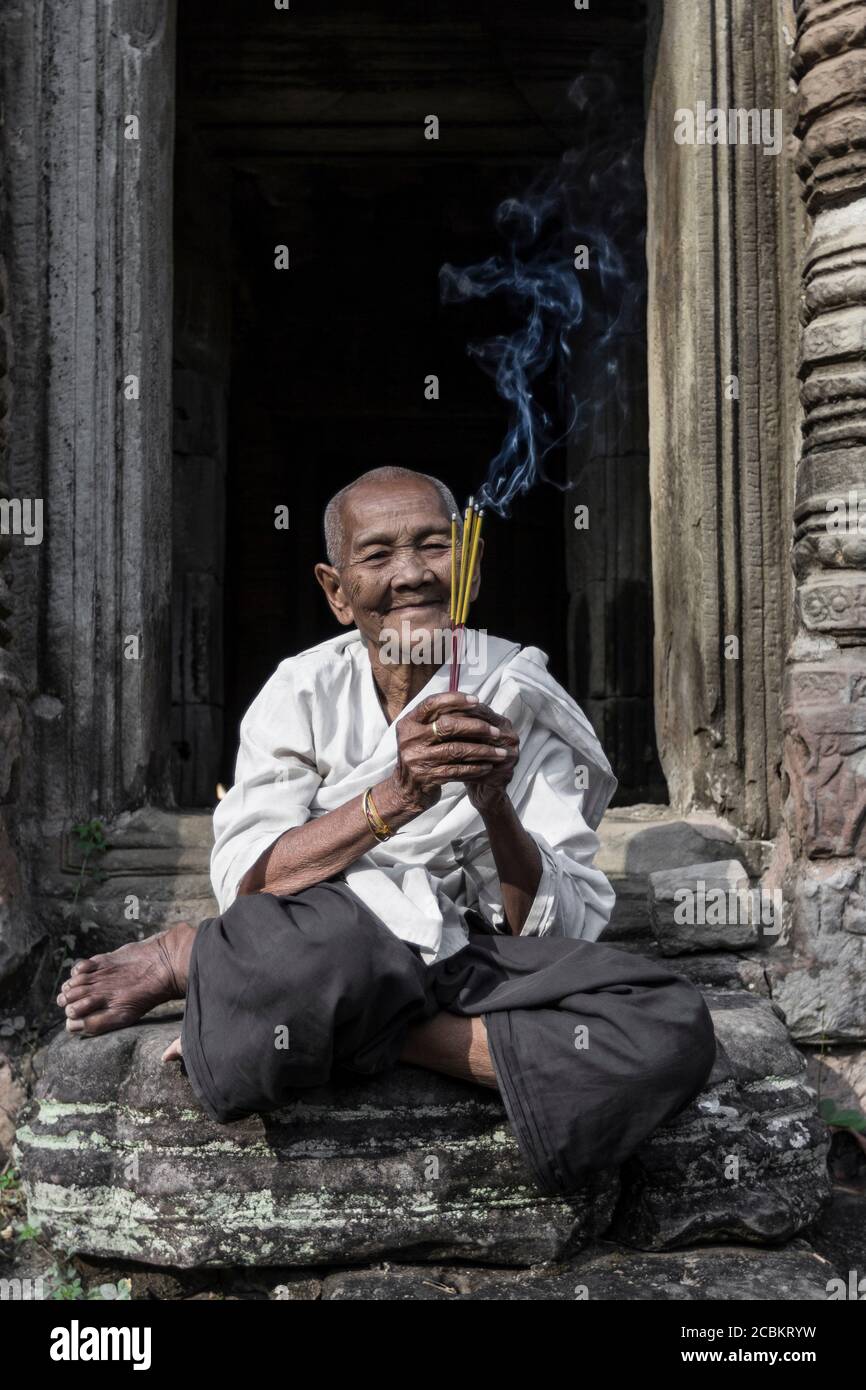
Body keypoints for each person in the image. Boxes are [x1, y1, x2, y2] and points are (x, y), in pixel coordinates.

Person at [56, 466, 717, 1195]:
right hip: (343, 945)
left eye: (434, 546)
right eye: (376, 556)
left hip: (470, 957)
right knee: (310, 952)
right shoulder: (300, 690)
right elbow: (250, 883)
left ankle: (341, 1020)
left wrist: (496, 807)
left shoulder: (520, 694)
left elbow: (554, 935)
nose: (410, 575)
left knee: (672, 1028)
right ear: (338, 593)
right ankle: (244, 973)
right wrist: (397, 796)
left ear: (466, 564)